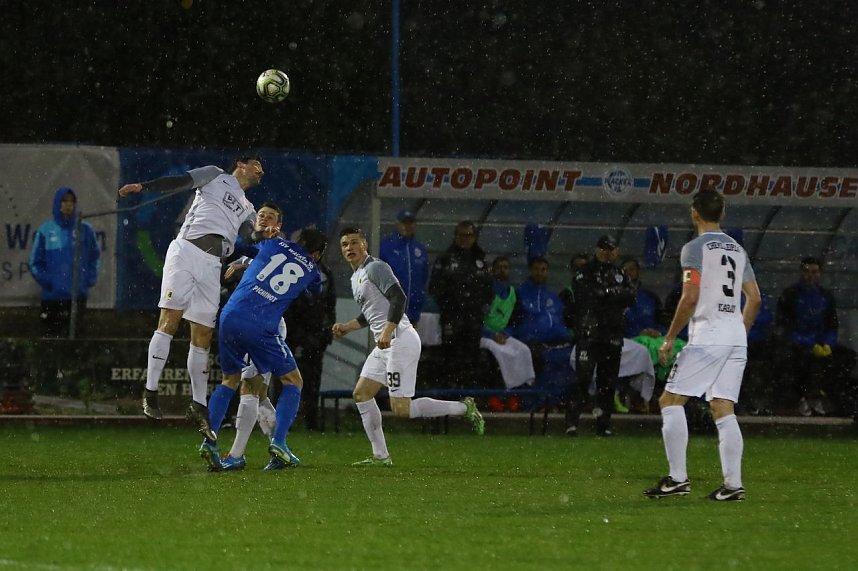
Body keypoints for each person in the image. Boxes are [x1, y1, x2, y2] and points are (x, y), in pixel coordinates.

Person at [118, 157, 263, 436]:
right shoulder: (215, 175)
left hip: (212, 265)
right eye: (257, 165)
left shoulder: (249, 208)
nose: (261, 171)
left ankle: (198, 405)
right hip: (186, 252)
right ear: (241, 164)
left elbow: (250, 236)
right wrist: (144, 186)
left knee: (203, 335)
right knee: (169, 321)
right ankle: (150, 391)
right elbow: (181, 181)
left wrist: (262, 234)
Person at [643, 189, 761, 502]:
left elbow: (690, 296)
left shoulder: (695, 248)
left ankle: (677, 479)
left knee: (670, 400)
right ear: (722, 214)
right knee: (723, 407)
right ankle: (733, 486)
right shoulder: (737, 249)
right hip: (735, 335)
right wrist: (738, 332)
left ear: (694, 213)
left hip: (710, 334)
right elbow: (754, 298)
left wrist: (670, 337)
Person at [333, 227, 485, 467]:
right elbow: (372, 313)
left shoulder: (375, 268)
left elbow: (399, 298)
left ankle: (463, 407)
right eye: (344, 244)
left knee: (401, 409)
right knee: (361, 394)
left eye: (354, 242)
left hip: (400, 340)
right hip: (386, 344)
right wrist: (348, 326)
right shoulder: (357, 276)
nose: (349, 248)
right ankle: (380, 456)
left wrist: (387, 331)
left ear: (365, 245)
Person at [199, 226, 329, 471]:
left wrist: (257, 238)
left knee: (230, 380)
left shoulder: (272, 244)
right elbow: (316, 292)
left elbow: (239, 247)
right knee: (293, 381)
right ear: (317, 253)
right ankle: (279, 443)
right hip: (261, 325)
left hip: (230, 315)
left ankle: (210, 441)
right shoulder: (312, 269)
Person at [564, 235, 635, 437]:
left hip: (612, 334)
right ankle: (572, 423)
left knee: (608, 382)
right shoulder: (585, 271)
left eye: (611, 249)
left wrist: (608, 292)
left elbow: (630, 296)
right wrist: (612, 294)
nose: (608, 253)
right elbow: (588, 296)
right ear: (597, 250)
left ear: (617, 251)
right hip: (590, 333)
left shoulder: (620, 273)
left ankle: (603, 424)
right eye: (604, 249)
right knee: (583, 378)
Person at [775, 257, 856, 416]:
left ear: (820, 274)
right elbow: (785, 327)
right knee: (798, 360)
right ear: (801, 272)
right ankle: (803, 398)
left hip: (820, 342)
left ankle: (833, 399)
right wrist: (809, 344)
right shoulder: (790, 295)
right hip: (797, 343)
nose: (810, 276)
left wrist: (828, 343)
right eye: (807, 271)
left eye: (814, 272)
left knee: (848, 357)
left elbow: (832, 325)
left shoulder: (826, 296)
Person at [282, 226, 337, 431]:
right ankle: (283, 421)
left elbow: (330, 304)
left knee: (312, 378)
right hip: (292, 334)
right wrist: (294, 333)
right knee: (286, 378)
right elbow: (286, 304)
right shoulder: (289, 269)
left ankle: (311, 421)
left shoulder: (325, 273)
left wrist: (326, 330)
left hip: (315, 334)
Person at [428, 220, 493, 386]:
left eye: (469, 235)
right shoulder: (445, 258)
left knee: (472, 358)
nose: (465, 239)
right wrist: (450, 305)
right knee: (450, 357)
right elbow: (435, 287)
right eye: (461, 235)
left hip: (474, 319)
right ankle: (450, 394)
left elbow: (488, 289)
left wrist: (479, 308)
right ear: (455, 236)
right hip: (452, 317)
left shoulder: (481, 259)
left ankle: (469, 394)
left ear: (475, 237)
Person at [28, 187, 101, 337]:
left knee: (76, 340)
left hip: (77, 297)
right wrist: (50, 282)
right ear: (57, 203)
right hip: (52, 298)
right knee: (51, 339)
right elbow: (34, 262)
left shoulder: (85, 230)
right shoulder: (45, 230)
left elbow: (95, 257)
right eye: (64, 201)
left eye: (71, 201)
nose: (68, 204)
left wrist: (87, 280)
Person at [510, 256, 574, 403]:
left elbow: (559, 320)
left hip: (557, 341)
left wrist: (567, 335)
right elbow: (515, 321)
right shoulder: (520, 294)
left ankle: (561, 401)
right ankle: (538, 401)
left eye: (543, 270)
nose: (539, 273)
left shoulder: (553, 296)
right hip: (532, 341)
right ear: (530, 271)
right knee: (539, 357)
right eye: (536, 269)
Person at [480, 256, 536, 390]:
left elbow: (516, 320)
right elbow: (476, 319)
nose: (502, 270)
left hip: (502, 335)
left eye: (505, 267)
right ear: (492, 270)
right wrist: (491, 335)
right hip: (484, 335)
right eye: (499, 267)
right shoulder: (485, 291)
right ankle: (505, 387)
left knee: (524, 350)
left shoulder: (514, 294)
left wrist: (506, 333)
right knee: (498, 353)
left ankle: (524, 386)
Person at [379, 209, 428, 325]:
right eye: (404, 223)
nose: (407, 226)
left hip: (413, 310)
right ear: (397, 224)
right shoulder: (386, 246)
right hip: (389, 310)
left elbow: (424, 277)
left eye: (410, 223)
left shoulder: (419, 248)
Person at [621, 257, 665, 339]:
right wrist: (638, 333)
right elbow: (617, 328)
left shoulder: (651, 296)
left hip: (655, 339)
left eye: (631, 269)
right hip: (630, 341)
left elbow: (663, 321)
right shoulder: (616, 298)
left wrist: (659, 332)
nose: (628, 273)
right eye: (625, 271)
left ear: (638, 271)